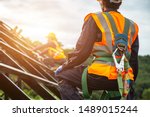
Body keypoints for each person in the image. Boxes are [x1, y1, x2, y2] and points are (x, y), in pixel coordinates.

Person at [55, 0, 139, 100]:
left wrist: (65, 66)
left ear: (101, 2)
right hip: (125, 78)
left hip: (101, 74)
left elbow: (82, 52)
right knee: (117, 93)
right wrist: (130, 81)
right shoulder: (132, 25)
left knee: (63, 76)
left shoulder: (95, 19)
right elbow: (133, 60)